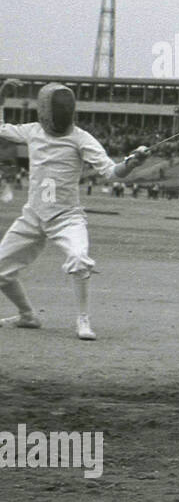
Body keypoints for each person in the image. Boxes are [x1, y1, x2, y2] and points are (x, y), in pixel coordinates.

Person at [0, 83, 150, 339]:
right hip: (33, 215)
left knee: (79, 259)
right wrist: (1, 97)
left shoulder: (81, 138)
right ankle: (27, 316)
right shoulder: (32, 131)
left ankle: (83, 320)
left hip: (66, 217)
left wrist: (132, 163)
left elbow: (111, 172)